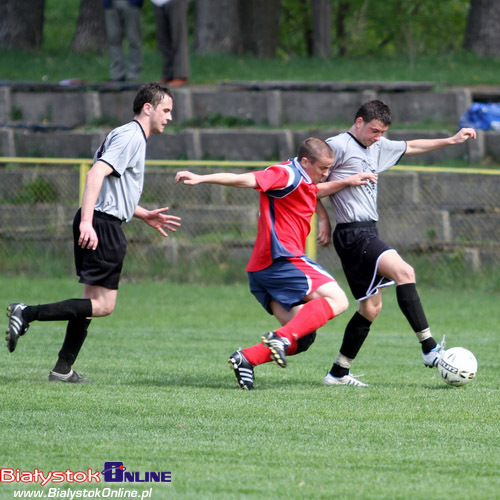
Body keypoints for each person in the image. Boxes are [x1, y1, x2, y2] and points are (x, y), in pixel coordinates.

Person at [5, 83, 181, 383]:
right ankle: (26, 312)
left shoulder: (129, 135)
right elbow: (96, 172)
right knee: (103, 306)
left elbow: (113, 190)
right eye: (166, 110)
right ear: (148, 108)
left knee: (88, 304)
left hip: (102, 219)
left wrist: (141, 213)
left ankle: (62, 369)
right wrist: (88, 222)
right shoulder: (131, 137)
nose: (170, 117)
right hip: (102, 225)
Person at [175, 138, 377, 390]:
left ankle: (246, 358)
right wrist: (203, 178)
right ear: (305, 161)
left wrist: (346, 181)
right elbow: (246, 179)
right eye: (323, 169)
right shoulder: (284, 173)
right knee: (339, 300)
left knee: (302, 337)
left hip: (261, 271)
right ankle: (279, 339)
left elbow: (313, 191)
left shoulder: (302, 179)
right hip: (281, 259)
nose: (326, 174)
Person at [318, 99, 477, 387]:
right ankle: (429, 348)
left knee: (371, 309)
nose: (378, 137)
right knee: (405, 272)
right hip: (353, 234)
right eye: (375, 131)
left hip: (367, 231)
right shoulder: (336, 145)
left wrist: (452, 140)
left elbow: (412, 146)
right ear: (359, 122)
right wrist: (324, 218)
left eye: (382, 133)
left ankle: (338, 372)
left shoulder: (377, 146)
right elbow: (309, 187)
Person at [151, 0, 190, 86]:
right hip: (158, 2)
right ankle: (168, 74)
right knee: (163, 40)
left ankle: (181, 75)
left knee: (178, 37)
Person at [103, 0, 143, 82]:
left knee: (134, 39)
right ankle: (117, 74)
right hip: (111, 4)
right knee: (113, 39)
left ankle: (134, 75)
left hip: (131, 4)